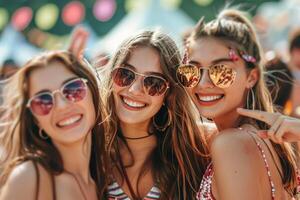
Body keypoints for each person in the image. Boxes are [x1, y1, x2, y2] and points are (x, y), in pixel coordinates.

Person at [176, 9, 299, 199]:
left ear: (251, 77)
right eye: (192, 71)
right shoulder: (260, 138)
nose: (203, 83)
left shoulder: (230, 143)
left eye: (221, 71)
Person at [99, 30, 209, 199]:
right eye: (126, 75)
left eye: (153, 83)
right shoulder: (91, 151)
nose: (135, 90)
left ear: (169, 95)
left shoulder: (198, 148)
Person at [0, 50, 109, 200]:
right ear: (35, 120)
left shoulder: (106, 177)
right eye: (43, 101)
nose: (62, 105)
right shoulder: (30, 178)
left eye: (73, 89)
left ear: (92, 92)